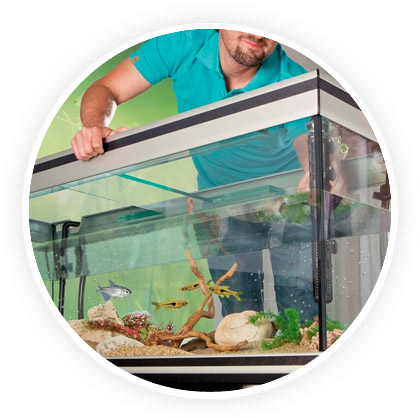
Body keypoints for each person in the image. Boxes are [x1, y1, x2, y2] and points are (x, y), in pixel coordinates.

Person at [71, 29, 318, 322]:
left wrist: (313, 170)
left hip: (292, 206)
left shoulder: (293, 78)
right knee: (238, 314)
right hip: (221, 208)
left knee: (302, 313)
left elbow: (308, 142)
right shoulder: (181, 44)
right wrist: (95, 126)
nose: (256, 32)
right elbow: (106, 89)